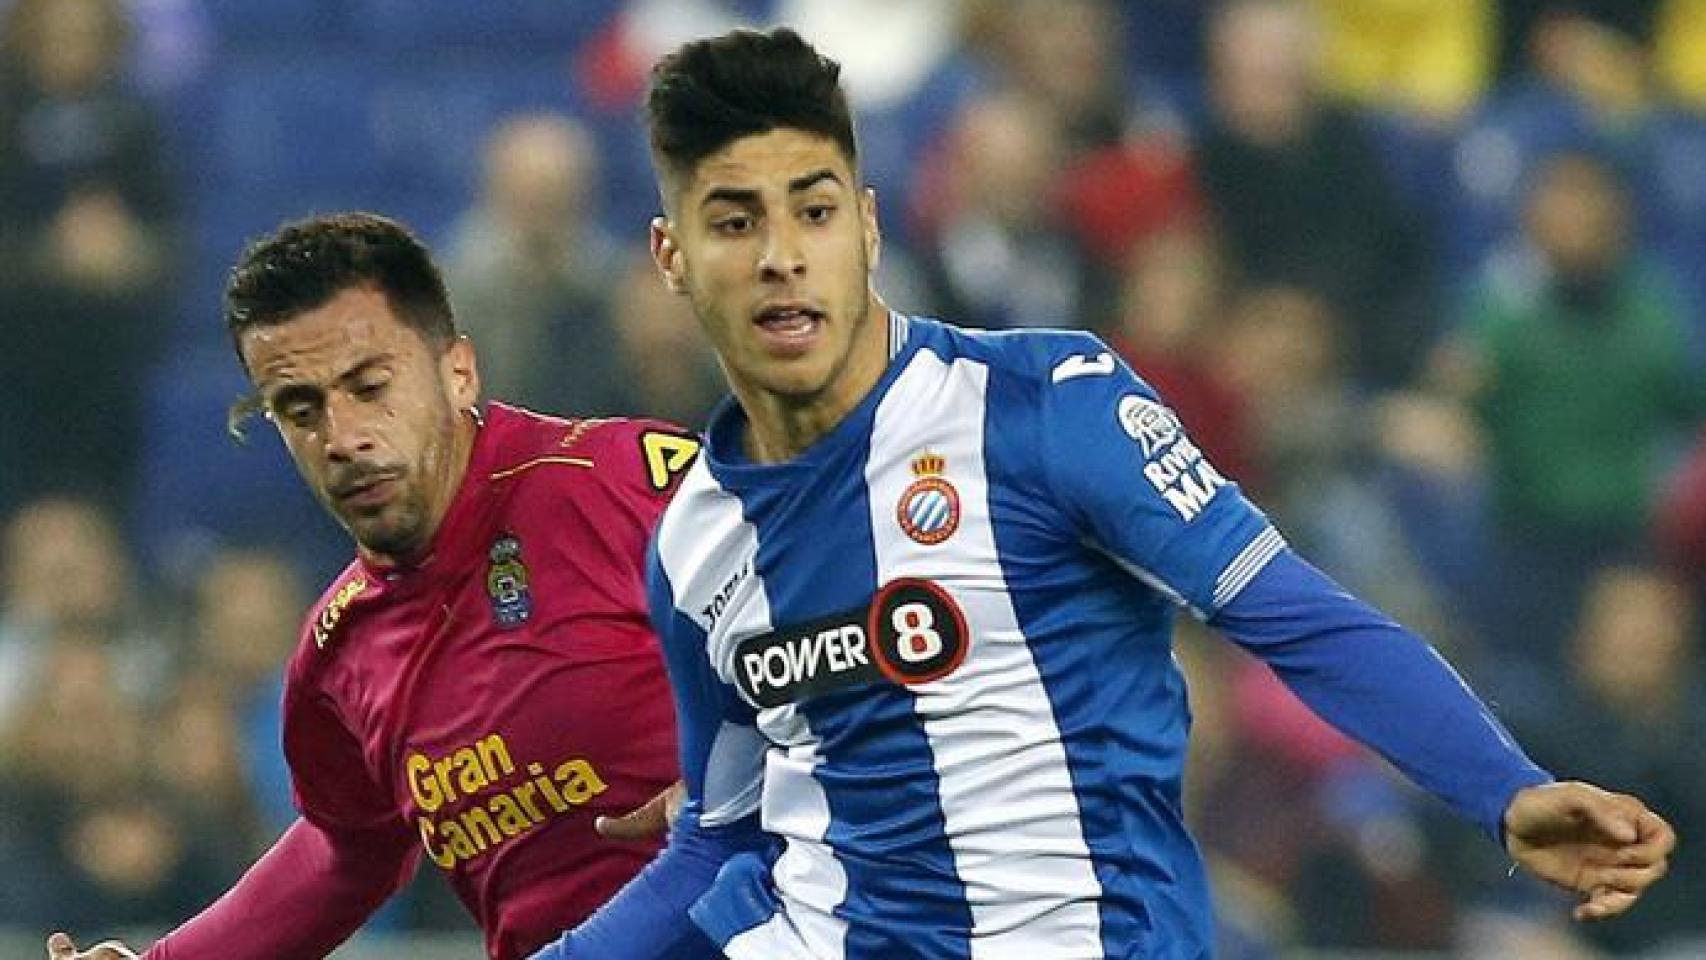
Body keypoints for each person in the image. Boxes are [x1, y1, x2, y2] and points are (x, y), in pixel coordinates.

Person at [533, 28, 1676, 960]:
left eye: (814, 208)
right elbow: (719, 840)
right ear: (670, 254)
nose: (782, 254)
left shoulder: (1042, 407)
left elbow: (1294, 617)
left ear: (869, 225)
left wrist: (1503, 794)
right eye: (733, 220)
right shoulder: (691, 538)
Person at [46, 213, 693, 960]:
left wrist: (753, 773)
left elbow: (831, 623)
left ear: (458, 372)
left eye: (370, 386)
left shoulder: (626, 487)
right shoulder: (337, 653)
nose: (342, 438)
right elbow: (347, 851)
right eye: (300, 408)